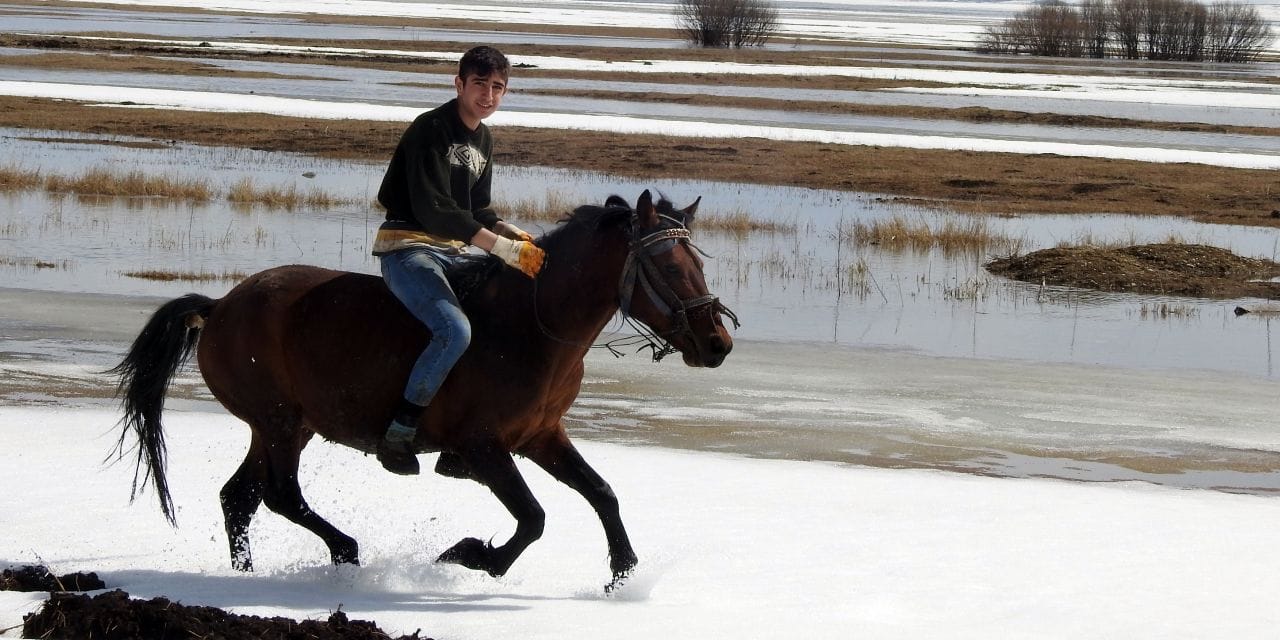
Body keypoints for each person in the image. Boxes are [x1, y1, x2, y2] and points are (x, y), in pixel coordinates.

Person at [371, 45, 544, 475]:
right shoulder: (430, 128)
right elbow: (435, 210)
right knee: (454, 329)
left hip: (452, 253)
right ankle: (399, 431)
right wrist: (499, 248)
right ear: (459, 84)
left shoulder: (484, 138)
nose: (488, 95)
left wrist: (516, 235)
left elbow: (477, 209)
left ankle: (461, 437)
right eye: (480, 84)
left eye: (498, 87)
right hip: (408, 249)